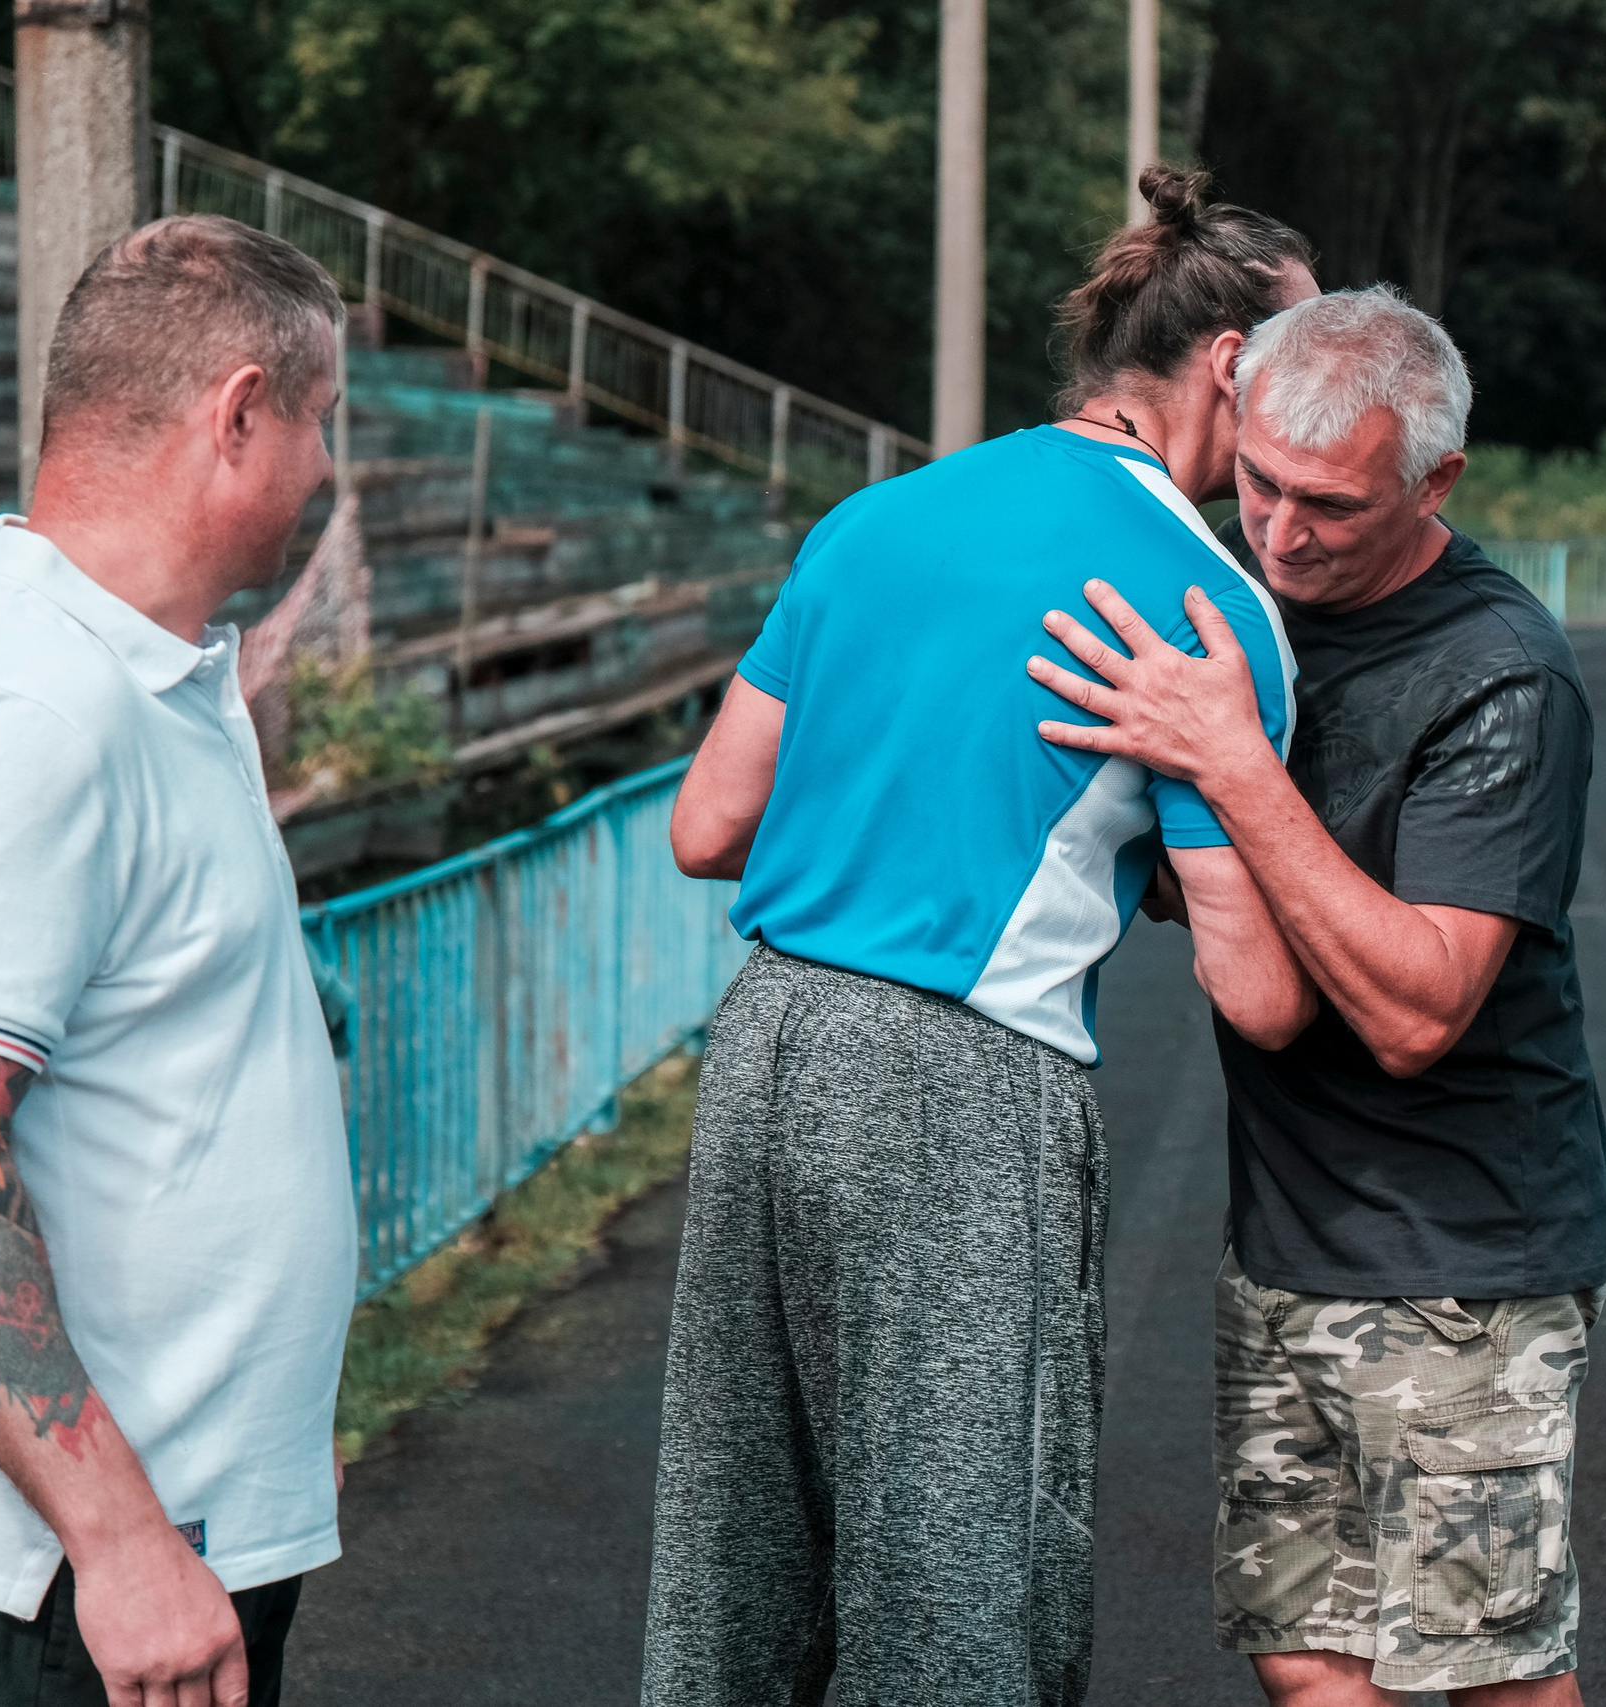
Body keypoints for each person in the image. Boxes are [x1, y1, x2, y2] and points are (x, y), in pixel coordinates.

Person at [644, 166, 1318, 1707]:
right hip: (958, 1081)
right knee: (956, 1583)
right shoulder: (1207, 603)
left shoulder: (876, 518)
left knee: (740, 1556)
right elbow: (1261, 997)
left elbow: (706, 828)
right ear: (1232, 366)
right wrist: (1216, 788)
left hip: (763, 1047)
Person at [1029, 286, 1606, 1705]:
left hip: (1461, 1256)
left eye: (1332, 509)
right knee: (1309, 1663)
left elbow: (1419, 1011)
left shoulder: (1503, 676)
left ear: (1436, 481)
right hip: (1286, 1235)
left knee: (1495, 1679)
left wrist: (1232, 766)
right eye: (1264, 486)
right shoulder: (1240, 599)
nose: (1282, 535)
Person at [0, 216, 358, 1707]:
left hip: (191, 1522)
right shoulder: (40, 707)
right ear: (238, 412)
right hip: (79, 1579)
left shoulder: (160, 675)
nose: (325, 469)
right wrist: (119, 1538)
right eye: (319, 422)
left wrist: (268, 1422)